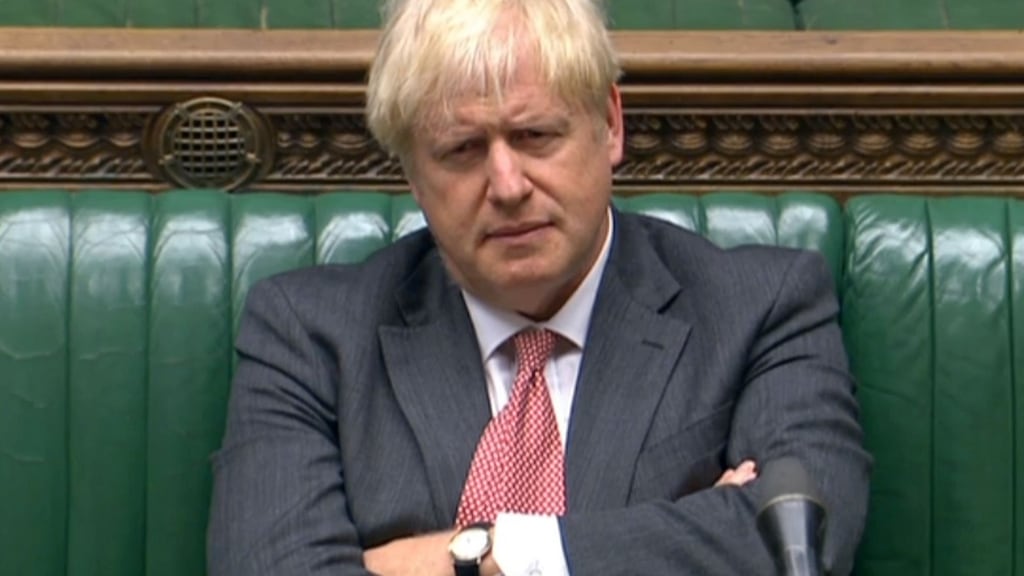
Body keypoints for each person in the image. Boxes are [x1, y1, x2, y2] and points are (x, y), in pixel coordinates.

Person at [207, 0, 871, 574]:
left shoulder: (761, 306)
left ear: (610, 123)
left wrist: (479, 556)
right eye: (462, 150)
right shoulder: (308, 336)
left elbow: (801, 542)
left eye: (535, 136)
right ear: (412, 174)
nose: (507, 185)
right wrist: (679, 530)